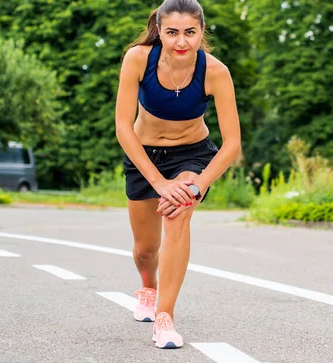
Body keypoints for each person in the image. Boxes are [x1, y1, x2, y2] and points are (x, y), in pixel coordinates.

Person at [115, 0, 241, 349]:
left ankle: (164, 317)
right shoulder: (138, 59)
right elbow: (123, 128)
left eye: (190, 32)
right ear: (159, 31)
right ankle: (148, 286)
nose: (181, 41)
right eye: (172, 32)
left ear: (201, 32)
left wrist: (198, 184)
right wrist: (158, 182)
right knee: (144, 249)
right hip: (144, 156)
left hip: (192, 155)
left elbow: (231, 143)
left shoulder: (215, 71)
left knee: (178, 214)